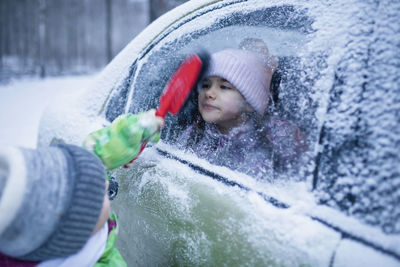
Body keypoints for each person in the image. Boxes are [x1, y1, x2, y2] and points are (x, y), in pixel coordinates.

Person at [0, 110, 164, 266]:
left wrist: (133, 131)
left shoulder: (55, 224)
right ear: (79, 229)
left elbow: (95, 156)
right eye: (98, 194)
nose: (106, 183)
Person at [178, 43, 306, 178]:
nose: (209, 93)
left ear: (249, 102)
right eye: (205, 85)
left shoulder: (280, 134)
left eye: (224, 87)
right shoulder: (194, 136)